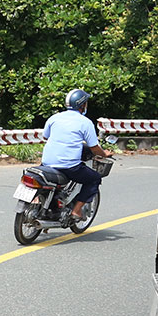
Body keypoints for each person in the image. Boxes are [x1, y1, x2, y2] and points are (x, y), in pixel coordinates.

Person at [41, 88, 112, 222]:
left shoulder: (54, 118)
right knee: (94, 179)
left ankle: (41, 202)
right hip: (69, 166)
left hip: (46, 163)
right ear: (83, 105)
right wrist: (105, 154)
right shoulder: (85, 122)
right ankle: (76, 210)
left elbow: (46, 137)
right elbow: (94, 148)